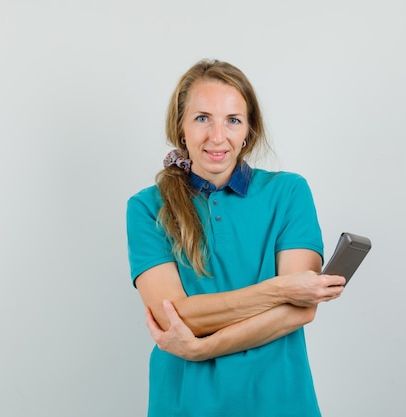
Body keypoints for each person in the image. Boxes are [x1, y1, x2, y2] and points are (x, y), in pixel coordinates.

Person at [126, 59, 346, 417]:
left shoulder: (289, 192)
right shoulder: (146, 207)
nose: (217, 136)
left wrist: (201, 349)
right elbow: (176, 318)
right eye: (202, 118)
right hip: (185, 404)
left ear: (248, 130)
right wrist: (280, 289)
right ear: (181, 128)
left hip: (281, 402)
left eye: (232, 120)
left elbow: (300, 310)